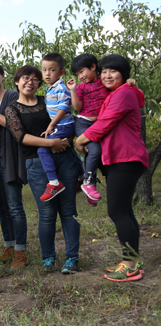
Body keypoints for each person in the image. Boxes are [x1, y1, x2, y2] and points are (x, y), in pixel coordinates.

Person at [75, 54, 149, 282]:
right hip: (121, 158)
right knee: (124, 211)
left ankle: (130, 266)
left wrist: (81, 139)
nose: (107, 75)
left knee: (117, 211)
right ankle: (132, 260)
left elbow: (105, 123)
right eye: (104, 71)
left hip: (126, 157)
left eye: (113, 71)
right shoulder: (120, 92)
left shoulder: (123, 93)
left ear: (123, 74)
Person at [5, 65, 82, 274]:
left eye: (34, 79)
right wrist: (51, 143)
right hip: (37, 164)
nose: (30, 82)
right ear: (17, 81)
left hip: (64, 159)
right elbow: (21, 137)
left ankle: (72, 258)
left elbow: (68, 120)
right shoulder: (12, 109)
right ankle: (48, 258)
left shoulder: (47, 99)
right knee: (47, 214)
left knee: (69, 211)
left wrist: (65, 141)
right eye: (25, 78)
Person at [0, 63, 29, 269]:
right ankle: (9, 245)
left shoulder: (11, 96)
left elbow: (10, 123)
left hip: (8, 160)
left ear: (3, 76)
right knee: (1, 207)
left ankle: (20, 250)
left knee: (14, 206)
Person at [67, 53, 107, 206]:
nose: (80, 76)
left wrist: (129, 81)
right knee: (94, 150)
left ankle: (89, 189)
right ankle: (88, 182)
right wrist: (73, 90)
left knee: (97, 153)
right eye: (77, 74)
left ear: (93, 67)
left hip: (100, 125)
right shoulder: (81, 87)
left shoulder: (105, 83)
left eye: (82, 71)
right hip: (83, 123)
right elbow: (77, 107)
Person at [36, 53, 76, 202]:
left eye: (52, 70)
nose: (47, 73)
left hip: (63, 125)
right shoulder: (50, 89)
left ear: (61, 72)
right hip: (61, 125)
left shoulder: (61, 88)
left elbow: (63, 109)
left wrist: (50, 126)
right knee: (69, 147)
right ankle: (81, 175)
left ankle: (53, 182)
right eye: (44, 70)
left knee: (42, 149)